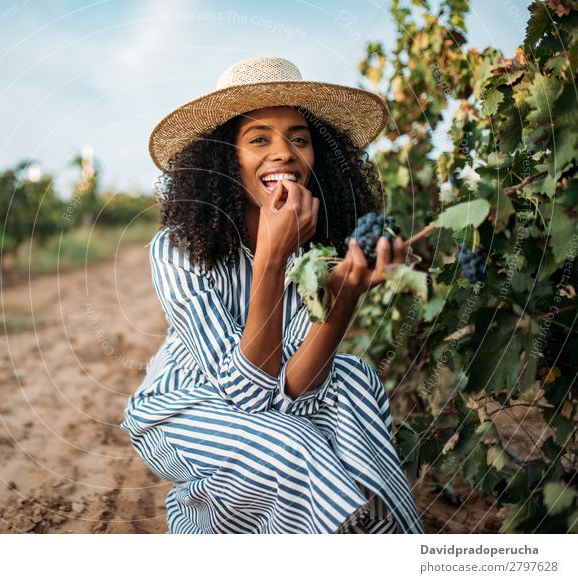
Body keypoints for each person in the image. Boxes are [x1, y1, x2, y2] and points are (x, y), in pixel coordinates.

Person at [120, 56, 425, 534]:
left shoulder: (318, 255)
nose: (283, 152)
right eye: (258, 139)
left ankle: (382, 538)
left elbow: (295, 393)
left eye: (299, 139)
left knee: (352, 379)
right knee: (294, 447)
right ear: (224, 160)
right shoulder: (178, 248)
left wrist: (345, 297)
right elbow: (246, 394)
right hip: (183, 409)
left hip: (274, 406)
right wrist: (271, 257)